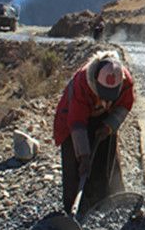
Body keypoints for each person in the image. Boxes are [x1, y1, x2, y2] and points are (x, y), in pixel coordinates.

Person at [53, 52, 134, 215]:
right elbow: (77, 122)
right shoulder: (82, 83)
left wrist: (109, 126)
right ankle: (73, 209)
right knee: (75, 164)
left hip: (102, 116)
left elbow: (124, 105)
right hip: (71, 118)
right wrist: (83, 156)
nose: (106, 100)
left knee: (105, 155)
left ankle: (105, 200)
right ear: (95, 81)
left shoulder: (125, 81)